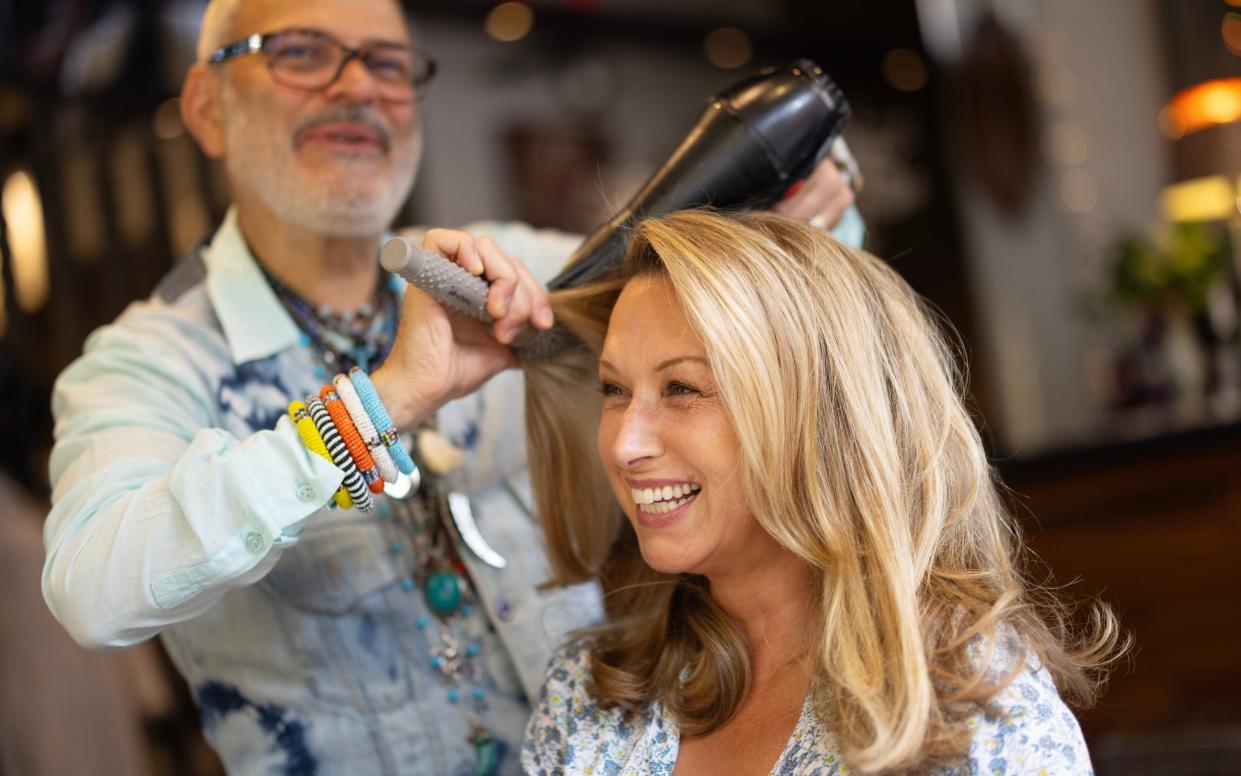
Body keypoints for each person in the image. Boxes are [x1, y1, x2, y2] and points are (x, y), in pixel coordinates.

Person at [41, 0, 860, 772]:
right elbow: (94, 594)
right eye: (300, 53)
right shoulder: (147, 362)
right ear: (206, 107)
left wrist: (815, 200)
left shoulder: (514, 272)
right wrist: (381, 402)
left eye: (388, 64)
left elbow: (780, 307)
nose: (358, 85)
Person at [520, 210, 1126, 775]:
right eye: (614, 390)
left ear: (820, 416)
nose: (625, 445)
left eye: (682, 388)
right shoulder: (589, 695)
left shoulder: (978, 718)